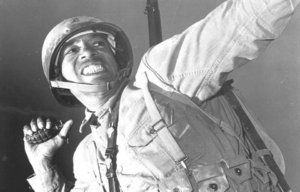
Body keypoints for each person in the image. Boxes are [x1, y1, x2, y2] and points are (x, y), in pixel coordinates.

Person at [23, 0, 299, 191]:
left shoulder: (159, 79)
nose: (88, 51)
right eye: (72, 50)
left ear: (117, 58)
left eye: (98, 43)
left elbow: (240, 23)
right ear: (59, 79)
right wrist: (44, 170)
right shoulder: (86, 156)